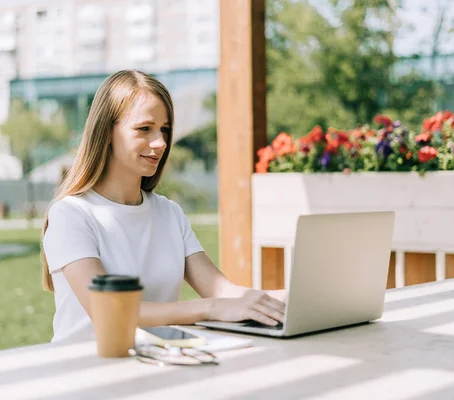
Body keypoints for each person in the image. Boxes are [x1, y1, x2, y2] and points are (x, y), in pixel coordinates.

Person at [41, 70, 287, 343]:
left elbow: (220, 290)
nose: (160, 143)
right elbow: (109, 311)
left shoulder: (169, 213)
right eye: (144, 129)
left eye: (165, 130)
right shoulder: (71, 215)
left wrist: (290, 299)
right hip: (83, 370)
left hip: (157, 363)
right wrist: (209, 309)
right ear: (107, 132)